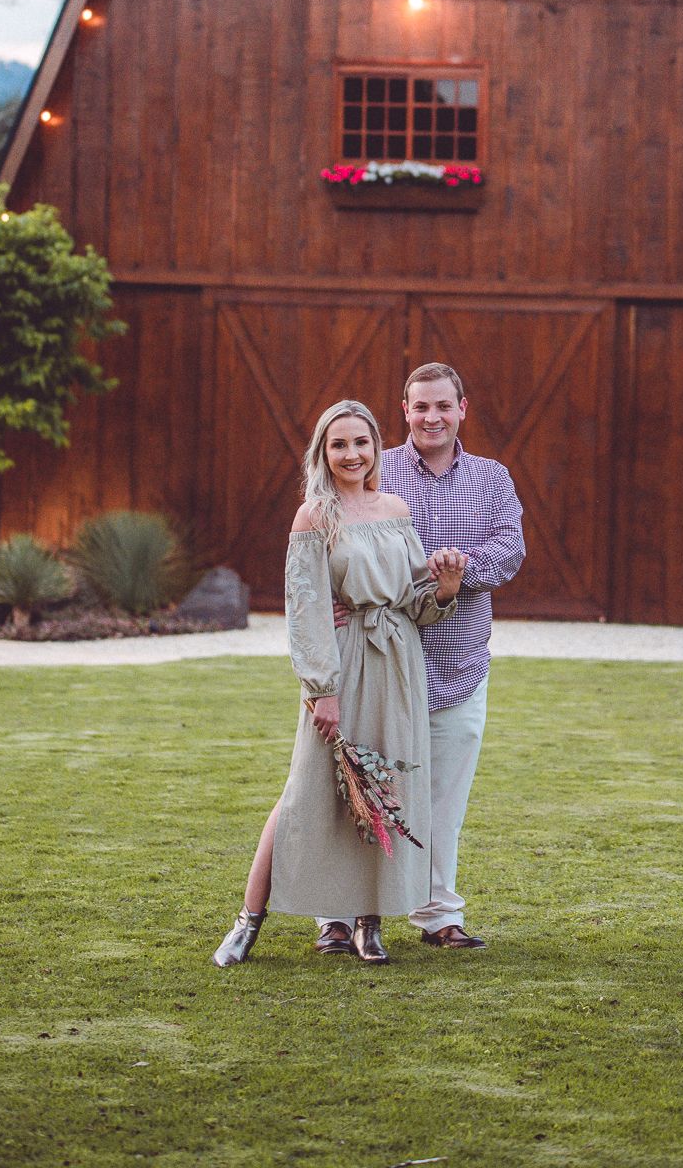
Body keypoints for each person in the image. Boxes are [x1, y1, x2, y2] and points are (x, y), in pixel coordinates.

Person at [212, 399, 469, 967]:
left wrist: (445, 588)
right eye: (339, 444)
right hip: (345, 662)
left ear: (376, 448)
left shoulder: (396, 510)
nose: (352, 454)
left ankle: (367, 924)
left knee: (381, 789)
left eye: (361, 443)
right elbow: (304, 609)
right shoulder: (314, 517)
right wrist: (320, 688)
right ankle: (247, 920)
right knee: (306, 793)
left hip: (398, 662)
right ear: (323, 454)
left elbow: (415, 603)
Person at [316, 361, 525, 955]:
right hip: (378, 665)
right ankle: (337, 915)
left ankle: (438, 916)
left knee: (442, 802)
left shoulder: (492, 478)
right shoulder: (376, 468)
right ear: (404, 412)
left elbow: (508, 549)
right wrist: (338, 601)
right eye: (419, 407)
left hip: (457, 664)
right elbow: (330, 538)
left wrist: (457, 575)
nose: (431, 417)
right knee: (355, 789)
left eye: (443, 406)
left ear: (463, 409)